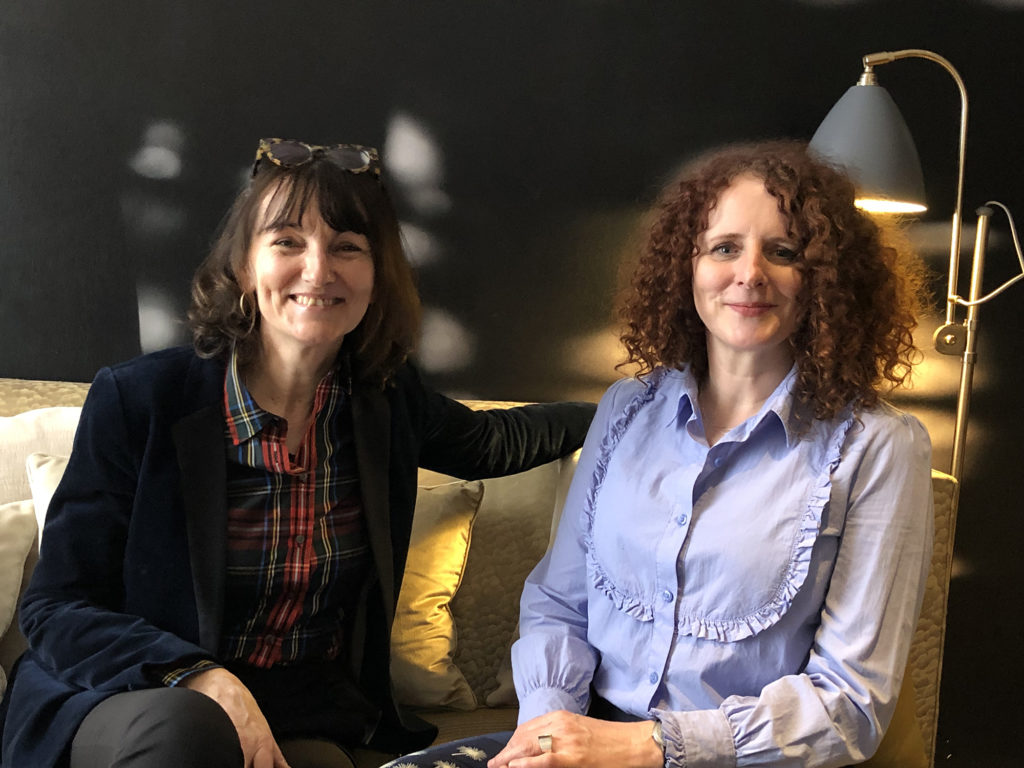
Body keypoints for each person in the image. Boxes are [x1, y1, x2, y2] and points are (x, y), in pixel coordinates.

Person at [0, 138, 596, 768]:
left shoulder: (382, 402)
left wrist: (629, 409)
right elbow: (56, 606)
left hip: (299, 708)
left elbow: (495, 442)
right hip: (135, 694)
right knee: (188, 732)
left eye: (347, 247)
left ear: (376, 275)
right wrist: (202, 676)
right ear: (244, 264)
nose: (318, 270)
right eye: (287, 241)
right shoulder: (141, 399)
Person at [384, 141, 933, 768]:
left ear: (826, 280)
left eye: (782, 252)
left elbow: (850, 706)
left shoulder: (881, 448)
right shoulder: (625, 410)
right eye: (724, 247)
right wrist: (547, 732)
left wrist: (644, 747)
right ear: (686, 267)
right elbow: (559, 603)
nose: (749, 272)